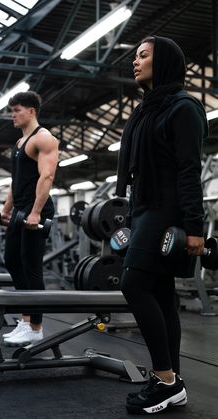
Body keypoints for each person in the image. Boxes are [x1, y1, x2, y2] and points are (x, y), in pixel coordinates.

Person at [116, 36, 208, 414]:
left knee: (133, 284)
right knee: (163, 293)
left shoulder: (183, 108)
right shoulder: (146, 110)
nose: (134, 62)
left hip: (167, 210)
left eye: (143, 55)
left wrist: (196, 227)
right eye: (134, 56)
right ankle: (173, 384)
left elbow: (189, 170)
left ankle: (165, 378)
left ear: (165, 60)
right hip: (144, 207)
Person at [1, 91, 59, 346]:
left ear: (31, 111)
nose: (12, 115)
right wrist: (5, 210)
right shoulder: (19, 143)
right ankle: (26, 320)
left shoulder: (44, 138)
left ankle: (35, 326)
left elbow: (47, 177)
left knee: (30, 265)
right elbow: (16, 182)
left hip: (38, 210)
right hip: (21, 210)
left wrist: (36, 211)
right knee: (12, 261)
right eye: (11, 110)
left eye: (16, 110)